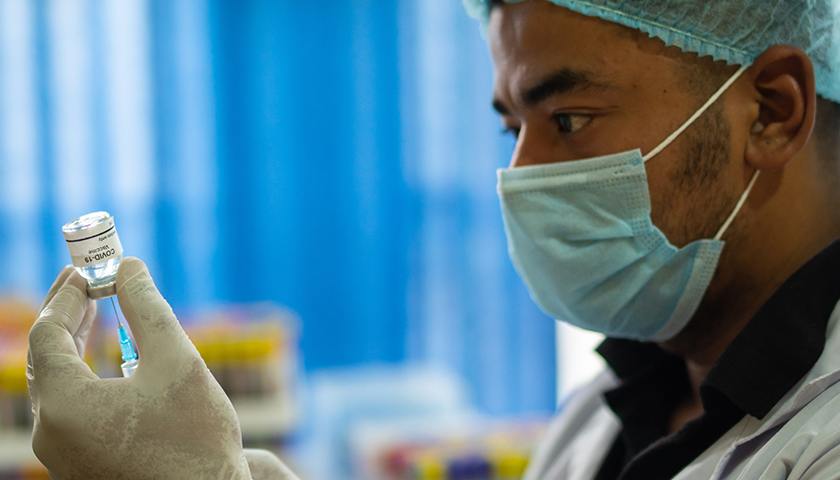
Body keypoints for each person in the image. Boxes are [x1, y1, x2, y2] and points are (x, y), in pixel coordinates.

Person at [24, 0, 840, 479]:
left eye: (569, 119)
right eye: (512, 127)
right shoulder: (615, 405)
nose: (521, 176)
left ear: (772, 109)